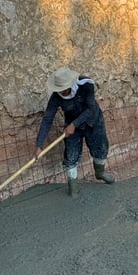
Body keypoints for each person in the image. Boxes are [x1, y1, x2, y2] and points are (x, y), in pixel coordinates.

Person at [35, 66, 115, 197]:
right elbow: (47, 119)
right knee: (71, 154)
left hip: (93, 121)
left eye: (64, 90)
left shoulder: (86, 85)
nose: (61, 92)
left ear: (70, 84)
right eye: (59, 90)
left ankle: (100, 173)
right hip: (72, 127)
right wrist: (39, 145)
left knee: (100, 148)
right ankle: (73, 188)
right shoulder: (56, 97)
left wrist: (74, 124)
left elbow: (90, 108)